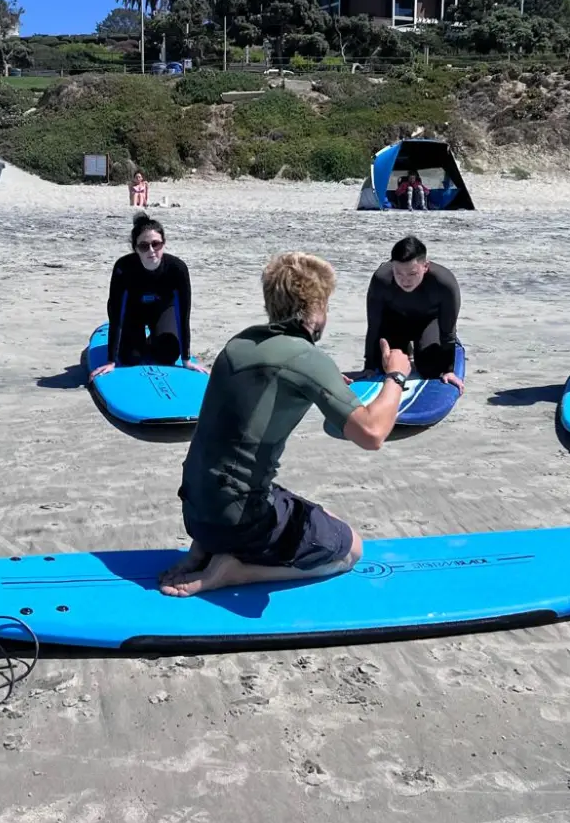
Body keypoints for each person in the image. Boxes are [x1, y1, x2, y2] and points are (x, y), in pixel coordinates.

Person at [159, 252, 412, 597]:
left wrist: (323, 384)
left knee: (320, 514)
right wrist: (396, 374)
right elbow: (372, 434)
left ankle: (206, 546)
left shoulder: (240, 343)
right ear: (314, 309)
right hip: (240, 520)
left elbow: (269, 387)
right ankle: (238, 571)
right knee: (351, 548)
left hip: (197, 512)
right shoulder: (305, 357)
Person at [90, 215, 204, 376]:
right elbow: (116, 311)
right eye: (144, 246)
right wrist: (111, 361)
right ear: (136, 248)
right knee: (130, 358)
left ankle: (152, 339)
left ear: (163, 244)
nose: (151, 250)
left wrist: (186, 360)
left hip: (163, 310)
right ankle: (139, 341)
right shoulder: (124, 267)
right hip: (132, 312)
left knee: (167, 355)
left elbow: (183, 314)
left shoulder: (177, 269)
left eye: (156, 244)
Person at [361, 236, 464, 389]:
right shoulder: (381, 279)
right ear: (392, 266)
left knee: (431, 369)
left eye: (412, 273)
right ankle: (405, 348)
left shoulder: (444, 283)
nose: (405, 280)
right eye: (399, 273)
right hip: (396, 321)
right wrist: (369, 364)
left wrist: (448, 370)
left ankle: (444, 346)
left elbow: (448, 329)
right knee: (387, 367)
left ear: (425, 266)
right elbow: (374, 325)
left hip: (429, 321)